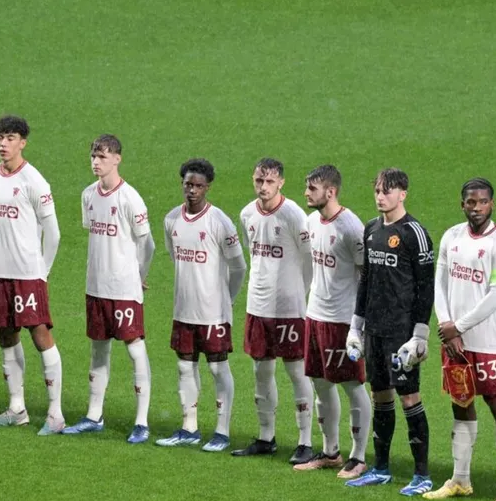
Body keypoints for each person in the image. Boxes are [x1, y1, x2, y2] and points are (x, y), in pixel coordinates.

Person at [425, 177, 496, 501]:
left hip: (487, 342)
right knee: (460, 403)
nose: (475, 207)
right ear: (462, 203)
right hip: (453, 342)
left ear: (492, 204)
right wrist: (445, 324)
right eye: (470, 201)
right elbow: (439, 283)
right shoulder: (451, 236)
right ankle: (460, 479)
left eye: (482, 202)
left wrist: (457, 327)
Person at [345, 168, 434, 496]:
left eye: (387, 191)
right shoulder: (371, 229)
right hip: (375, 331)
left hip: (402, 334)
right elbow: (365, 280)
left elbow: (426, 287)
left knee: (408, 396)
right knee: (379, 394)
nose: (381, 196)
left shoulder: (414, 233)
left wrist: (420, 335)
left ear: (403, 194)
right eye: (378, 191)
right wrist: (356, 327)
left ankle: (422, 475)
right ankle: (381, 468)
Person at [64, 135, 154, 444]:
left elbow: (148, 244)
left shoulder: (130, 198)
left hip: (124, 290)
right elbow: (95, 235)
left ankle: (141, 421)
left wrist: (138, 276)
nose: (95, 162)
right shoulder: (88, 195)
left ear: (117, 159)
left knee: (134, 349)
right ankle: (93, 415)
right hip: (96, 287)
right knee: (98, 349)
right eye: (93, 156)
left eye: (102, 157)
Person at [0, 115, 64, 434]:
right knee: (4, 335)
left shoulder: (35, 182)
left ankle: (55, 414)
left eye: (11, 138)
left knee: (40, 334)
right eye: (0, 137)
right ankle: (17, 408)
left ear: (23, 142)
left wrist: (42, 273)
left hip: (28, 274)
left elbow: (53, 234)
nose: (3, 143)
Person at [157, 158, 246, 452]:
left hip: (213, 314)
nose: (192, 190)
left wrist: (227, 301)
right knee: (185, 368)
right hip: (183, 310)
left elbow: (239, 268)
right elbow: (175, 259)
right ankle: (189, 428)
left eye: (198, 185)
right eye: (187, 184)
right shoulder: (171, 220)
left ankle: (221, 431)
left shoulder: (220, 222)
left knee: (218, 370)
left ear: (208, 187)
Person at [231, 158, 315, 465]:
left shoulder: (294, 215)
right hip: (257, 306)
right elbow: (253, 252)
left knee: (296, 371)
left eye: (269, 182)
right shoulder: (246, 214)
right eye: (258, 181)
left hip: (290, 308)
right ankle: (266, 437)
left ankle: (305, 441)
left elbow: (310, 260)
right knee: (261, 370)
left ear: (281, 182)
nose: (263, 187)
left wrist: (299, 294)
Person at [294, 165, 371, 479]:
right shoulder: (312, 221)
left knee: (352, 385)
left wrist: (359, 324)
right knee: (320, 383)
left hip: (342, 320)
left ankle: (359, 456)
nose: (306, 194)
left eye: (312, 189)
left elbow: (367, 274)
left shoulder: (352, 228)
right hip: (315, 316)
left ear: (331, 191)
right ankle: (330, 452)